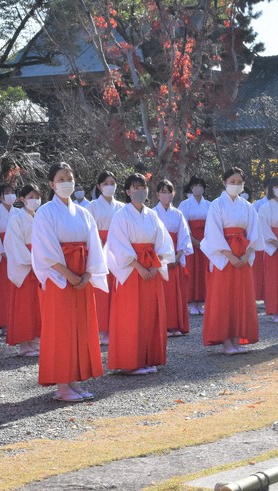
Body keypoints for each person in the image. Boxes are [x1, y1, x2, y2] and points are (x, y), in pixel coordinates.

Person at [31, 162, 107, 402]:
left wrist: (88, 274)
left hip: (81, 275)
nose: (67, 182)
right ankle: (62, 385)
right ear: (52, 184)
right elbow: (46, 250)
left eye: (70, 177)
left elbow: (94, 245)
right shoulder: (45, 212)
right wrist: (68, 274)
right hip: (59, 278)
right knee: (62, 330)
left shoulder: (84, 212)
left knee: (81, 329)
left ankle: (75, 380)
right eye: (61, 178)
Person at [107, 174, 174, 374]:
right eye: (135, 188)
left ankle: (147, 358)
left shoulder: (152, 215)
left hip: (151, 267)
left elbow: (163, 242)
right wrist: (137, 266)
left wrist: (156, 265)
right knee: (131, 315)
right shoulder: (121, 215)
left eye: (143, 187)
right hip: (132, 270)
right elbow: (117, 244)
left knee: (150, 314)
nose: (140, 191)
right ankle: (130, 362)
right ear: (127, 192)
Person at [200, 167, 264, 354]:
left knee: (241, 297)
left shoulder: (247, 206)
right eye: (232, 182)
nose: (235, 185)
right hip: (225, 255)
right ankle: (226, 340)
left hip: (242, 254)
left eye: (239, 182)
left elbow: (254, 232)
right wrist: (229, 256)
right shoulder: (216, 205)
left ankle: (237, 338)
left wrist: (246, 254)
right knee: (224, 297)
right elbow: (213, 232)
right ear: (224, 182)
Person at [4, 184, 43, 357]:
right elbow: (14, 244)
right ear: (22, 199)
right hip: (25, 266)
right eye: (30, 197)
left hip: (39, 263)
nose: (34, 200)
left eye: (37, 196)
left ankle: (34, 341)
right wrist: (32, 260)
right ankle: (24, 345)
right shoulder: (16, 218)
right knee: (25, 306)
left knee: (37, 305)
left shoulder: (40, 217)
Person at [87, 171, 125, 345]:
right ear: (99, 186)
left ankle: (117, 326)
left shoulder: (123, 207)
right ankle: (102, 330)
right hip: (99, 246)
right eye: (105, 183)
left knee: (118, 288)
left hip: (118, 249)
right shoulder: (91, 207)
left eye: (112, 182)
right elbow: (89, 232)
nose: (109, 186)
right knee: (101, 289)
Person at [155, 179, 193, 336]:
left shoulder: (178, 214)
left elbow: (184, 237)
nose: (166, 195)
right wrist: (163, 258)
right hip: (160, 257)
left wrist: (177, 256)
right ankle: (162, 325)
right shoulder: (152, 213)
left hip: (175, 257)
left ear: (174, 193)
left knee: (175, 293)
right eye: (163, 192)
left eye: (169, 192)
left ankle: (175, 325)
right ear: (157, 194)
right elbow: (153, 238)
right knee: (161, 293)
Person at [258, 177, 278, 323]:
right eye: (276, 186)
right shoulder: (265, 207)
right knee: (273, 279)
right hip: (273, 246)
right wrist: (277, 245)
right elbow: (263, 228)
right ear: (271, 189)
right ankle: (274, 310)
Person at [178, 175, 210, 315]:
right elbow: (183, 225)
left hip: (206, 241)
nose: (198, 188)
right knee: (191, 270)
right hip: (191, 241)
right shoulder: (184, 205)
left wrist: (205, 240)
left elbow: (212, 224)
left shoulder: (209, 205)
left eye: (201, 186)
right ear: (191, 188)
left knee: (204, 270)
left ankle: (202, 301)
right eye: (195, 186)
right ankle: (192, 302)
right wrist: (193, 240)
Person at [0, 182, 18, 330]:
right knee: (2, 291)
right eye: (6, 192)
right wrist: (5, 253)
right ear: (0, 196)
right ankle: (3, 322)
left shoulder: (18, 213)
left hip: (18, 255)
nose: (10, 194)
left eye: (12, 191)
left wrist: (17, 253)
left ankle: (17, 319)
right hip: (2, 257)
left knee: (17, 288)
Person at [252, 180, 270, 303]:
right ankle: (258, 296)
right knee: (259, 270)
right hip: (260, 239)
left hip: (275, 239)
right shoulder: (257, 204)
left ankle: (270, 297)